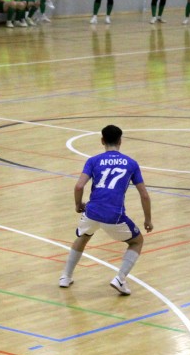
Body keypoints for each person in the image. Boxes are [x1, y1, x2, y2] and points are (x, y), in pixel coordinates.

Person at [60, 125, 153, 295]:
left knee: (83, 236)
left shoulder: (93, 161)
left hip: (92, 211)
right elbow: (144, 195)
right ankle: (120, 278)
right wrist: (148, 219)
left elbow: (79, 186)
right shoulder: (131, 163)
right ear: (120, 141)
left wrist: (78, 204)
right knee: (137, 241)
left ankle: (65, 276)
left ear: (102, 140)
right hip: (114, 216)